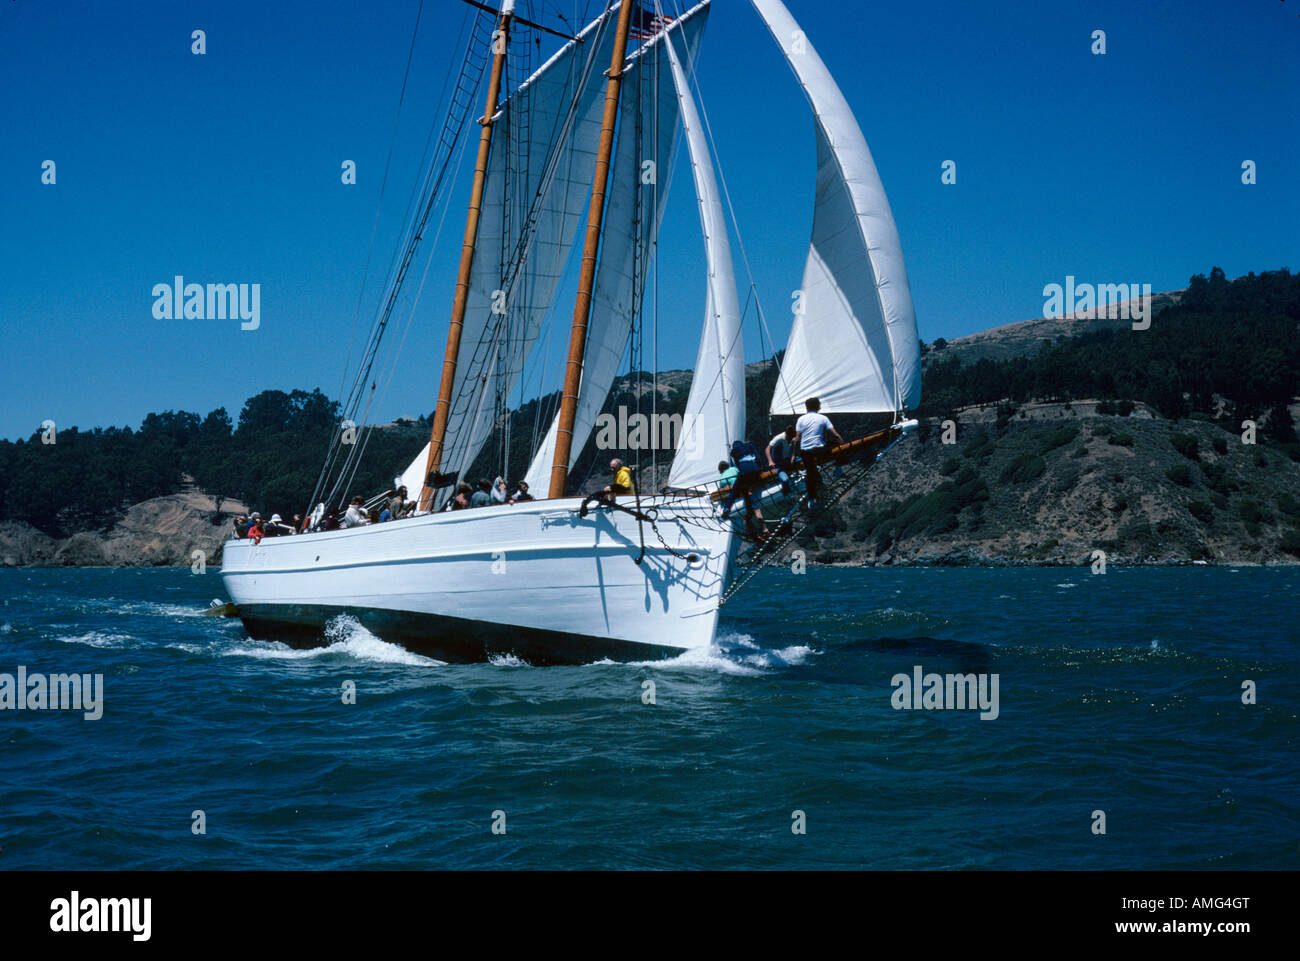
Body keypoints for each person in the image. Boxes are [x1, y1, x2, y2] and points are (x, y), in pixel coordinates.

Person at [794, 397, 843, 511]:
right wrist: (842, 446)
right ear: (818, 407)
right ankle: (838, 468)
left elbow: (797, 439)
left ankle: (811, 499)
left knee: (809, 474)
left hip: (805, 452)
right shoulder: (823, 418)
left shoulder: (800, 419)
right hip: (819, 451)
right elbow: (836, 435)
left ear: (806, 407)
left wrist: (793, 455)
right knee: (838, 444)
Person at [718, 459, 765, 540]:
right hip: (744, 490)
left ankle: (753, 534)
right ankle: (764, 529)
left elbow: (721, 490)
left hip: (735, 496)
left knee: (746, 515)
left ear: (721, 470)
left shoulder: (722, 477)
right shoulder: (734, 469)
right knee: (756, 509)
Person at [766, 424, 798, 495]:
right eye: (790, 438)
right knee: (785, 479)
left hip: (787, 460)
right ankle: (785, 491)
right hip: (778, 464)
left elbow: (795, 441)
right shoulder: (779, 438)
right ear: (787, 435)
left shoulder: (791, 438)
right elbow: (767, 449)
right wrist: (770, 461)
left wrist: (793, 455)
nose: (790, 440)